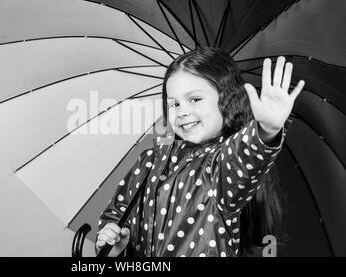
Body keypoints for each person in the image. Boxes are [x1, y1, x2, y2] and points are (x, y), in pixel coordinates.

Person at [96, 47, 305, 257]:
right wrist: (113, 247)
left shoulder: (221, 167)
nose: (183, 111)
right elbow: (116, 215)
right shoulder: (148, 161)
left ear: (228, 100)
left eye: (194, 99)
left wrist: (266, 130)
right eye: (174, 103)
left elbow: (244, 156)